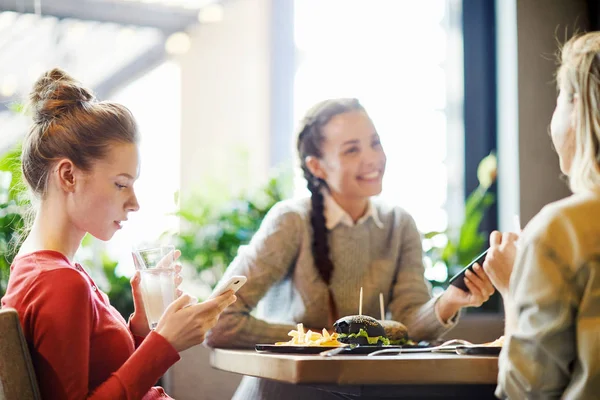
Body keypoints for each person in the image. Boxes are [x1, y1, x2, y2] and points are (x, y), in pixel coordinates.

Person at [206, 98, 496, 399]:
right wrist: (327, 340)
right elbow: (219, 322)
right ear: (317, 166)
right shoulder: (291, 221)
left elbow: (405, 327)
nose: (372, 158)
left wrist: (450, 301)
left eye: (375, 143)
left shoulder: (399, 224)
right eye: (352, 150)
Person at [0, 68, 237, 399]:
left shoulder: (44, 269)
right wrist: (163, 343)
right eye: (120, 184)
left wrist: (141, 328)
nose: (134, 203)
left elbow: (102, 377)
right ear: (68, 175)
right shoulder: (59, 282)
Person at [482, 32, 600, 399]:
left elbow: (525, 392)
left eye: (558, 98)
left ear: (577, 108)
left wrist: (513, 287)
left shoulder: (562, 230)